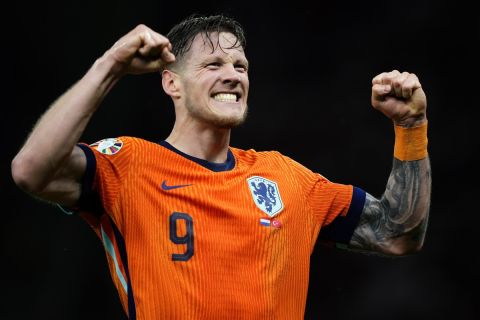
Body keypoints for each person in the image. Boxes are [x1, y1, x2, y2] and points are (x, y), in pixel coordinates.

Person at [11, 14, 431, 320]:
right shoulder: (128, 164)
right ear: (171, 82)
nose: (233, 75)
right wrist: (109, 67)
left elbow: (398, 234)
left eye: (241, 67)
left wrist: (411, 127)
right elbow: (32, 170)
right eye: (213, 66)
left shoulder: (287, 180)